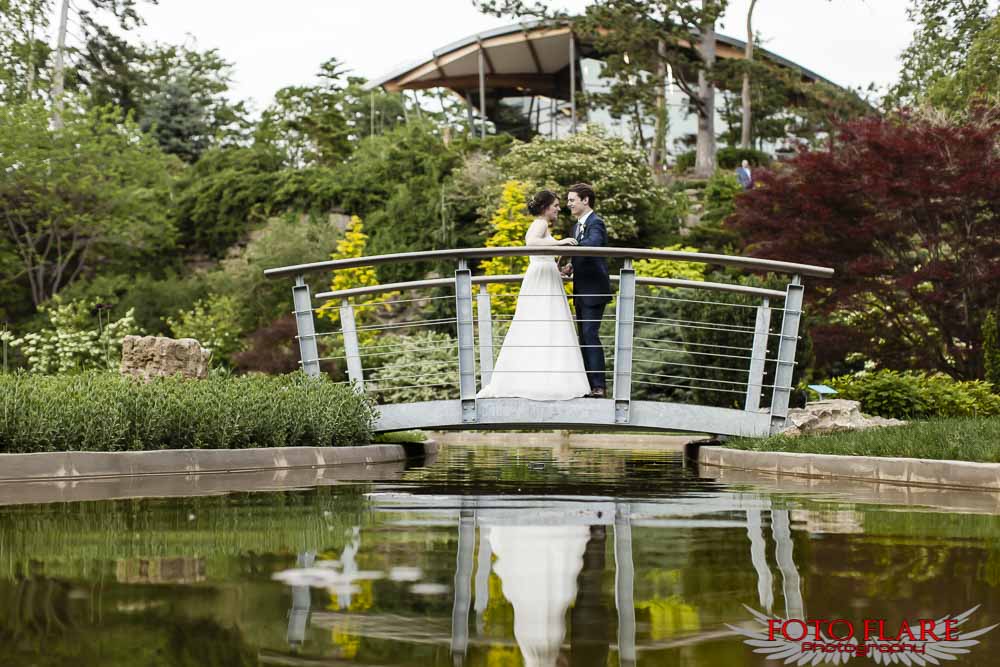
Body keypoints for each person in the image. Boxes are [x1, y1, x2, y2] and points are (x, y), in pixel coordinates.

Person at [477, 190, 591, 400]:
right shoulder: (540, 223)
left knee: (546, 325)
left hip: (547, 276)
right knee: (541, 323)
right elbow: (531, 243)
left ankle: (544, 380)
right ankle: (539, 381)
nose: (559, 208)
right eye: (555, 205)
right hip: (541, 280)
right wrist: (560, 243)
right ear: (545, 207)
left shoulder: (543, 225)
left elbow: (541, 253)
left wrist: (558, 269)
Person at [561, 183, 611, 398]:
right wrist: (571, 265)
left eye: (572, 200)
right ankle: (588, 385)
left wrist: (569, 248)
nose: (568, 204)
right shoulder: (576, 228)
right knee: (584, 337)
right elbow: (582, 255)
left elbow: (592, 246)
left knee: (590, 336)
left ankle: (599, 386)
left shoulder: (596, 223)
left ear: (585, 200)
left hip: (594, 291)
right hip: (581, 291)